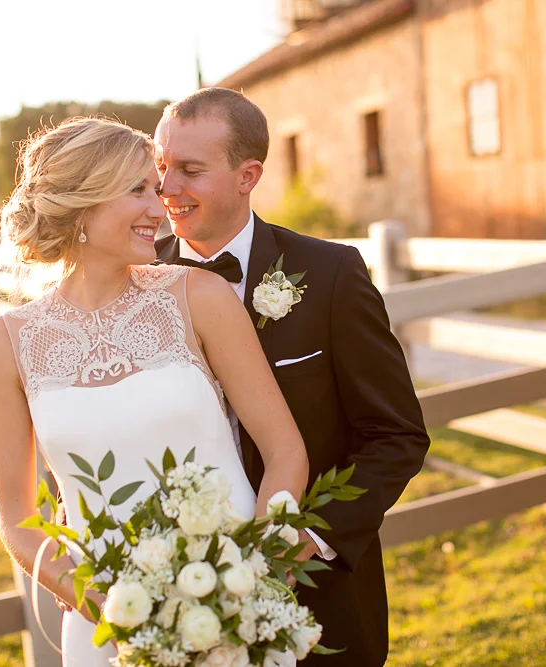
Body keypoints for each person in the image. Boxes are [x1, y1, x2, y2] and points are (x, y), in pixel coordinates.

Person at [0, 116, 308, 667]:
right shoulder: (3, 346)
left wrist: (250, 575)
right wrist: (103, 600)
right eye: (138, 190)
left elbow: (285, 452)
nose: (161, 208)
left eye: (156, 188)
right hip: (110, 625)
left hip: (231, 605)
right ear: (82, 204)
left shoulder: (199, 297)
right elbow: (14, 520)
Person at [153, 88, 430, 667]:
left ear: (247, 175)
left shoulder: (330, 274)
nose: (167, 188)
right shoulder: (134, 280)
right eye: (160, 166)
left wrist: (308, 539)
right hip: (176, 592)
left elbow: (395, 434)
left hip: (317, 598)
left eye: (190, 170)